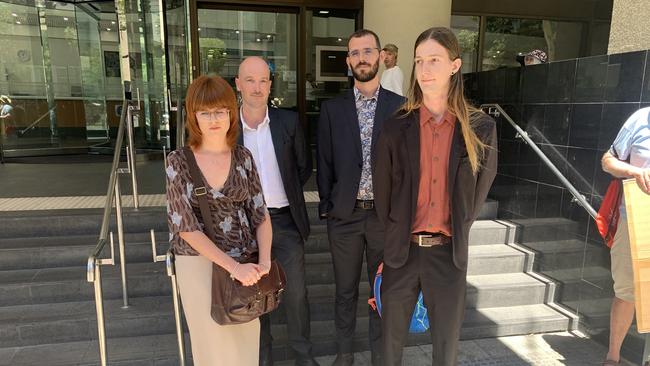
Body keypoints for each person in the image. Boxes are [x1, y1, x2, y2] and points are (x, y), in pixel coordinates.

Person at [373, 27, 497, 366]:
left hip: (448, 255)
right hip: (403, 253)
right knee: (389, 347)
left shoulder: (480, 128)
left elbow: (476, 196)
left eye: (434, 61)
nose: (424, 70)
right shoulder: (396, 126)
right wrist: (397, 231)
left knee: (446, 348)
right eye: (419, 61)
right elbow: (383, 193)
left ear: (455, 66)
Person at [165, 75, 272, 366]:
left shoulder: (243, 157)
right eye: (205, 112)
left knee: (245, 343)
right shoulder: (178, 161)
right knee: (211, 345)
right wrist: (233, 267)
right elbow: (185, 226)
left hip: (245, 263)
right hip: (199, 265)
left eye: (220, 110)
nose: (214, 119)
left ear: (231, 112)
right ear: (193, 116)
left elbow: (261, 215)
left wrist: (264, 261)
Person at [317, 29, 404, 366]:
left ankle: (380, 358)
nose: (362, 58)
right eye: (355, 53)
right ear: (348, 61)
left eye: (368, 51)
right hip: (345, 218)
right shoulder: (332, 109)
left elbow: (407, 167)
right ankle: (344, 356)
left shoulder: (400, 108)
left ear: (381, 56)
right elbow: (323, 162)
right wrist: (329, 208)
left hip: (384, 219)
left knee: (380, 292)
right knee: (344, 292)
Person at [234, 56, 318, 366]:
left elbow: (302, 167)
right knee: (254, 298)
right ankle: (262, 359)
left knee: (296, 295)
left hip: (284, 221)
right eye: (250, 80)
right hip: (243, 227)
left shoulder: (288, 122)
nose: (257, 87)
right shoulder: (227, 127)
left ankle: (303, 357)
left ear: (270, 85)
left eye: (263, 81)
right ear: (238, 84)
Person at [601, 107, 650, 366]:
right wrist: (634, 171)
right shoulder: (641, 119)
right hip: (636, 222)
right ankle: (613, 358)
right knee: (626, 291)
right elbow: (608, 160)